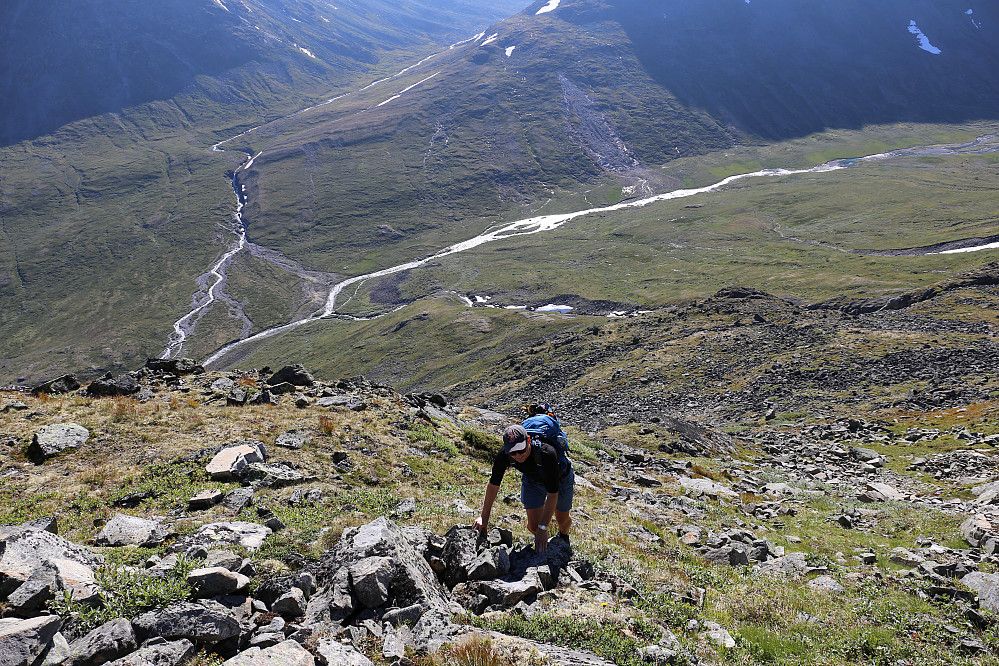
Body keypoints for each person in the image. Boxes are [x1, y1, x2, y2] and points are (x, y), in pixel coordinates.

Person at [473, 423, 574, 553]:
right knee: (533, 527)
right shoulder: (504, 455)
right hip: (533, 479)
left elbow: (552, 493)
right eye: (513, 452)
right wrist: (484, 518)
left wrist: (543, 528)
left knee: (562, 519)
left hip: (560, 478)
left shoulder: (547, 453)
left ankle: (564, 535)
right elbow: (493, 485)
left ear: (528, 441)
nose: (518, 455)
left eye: (521, 450)